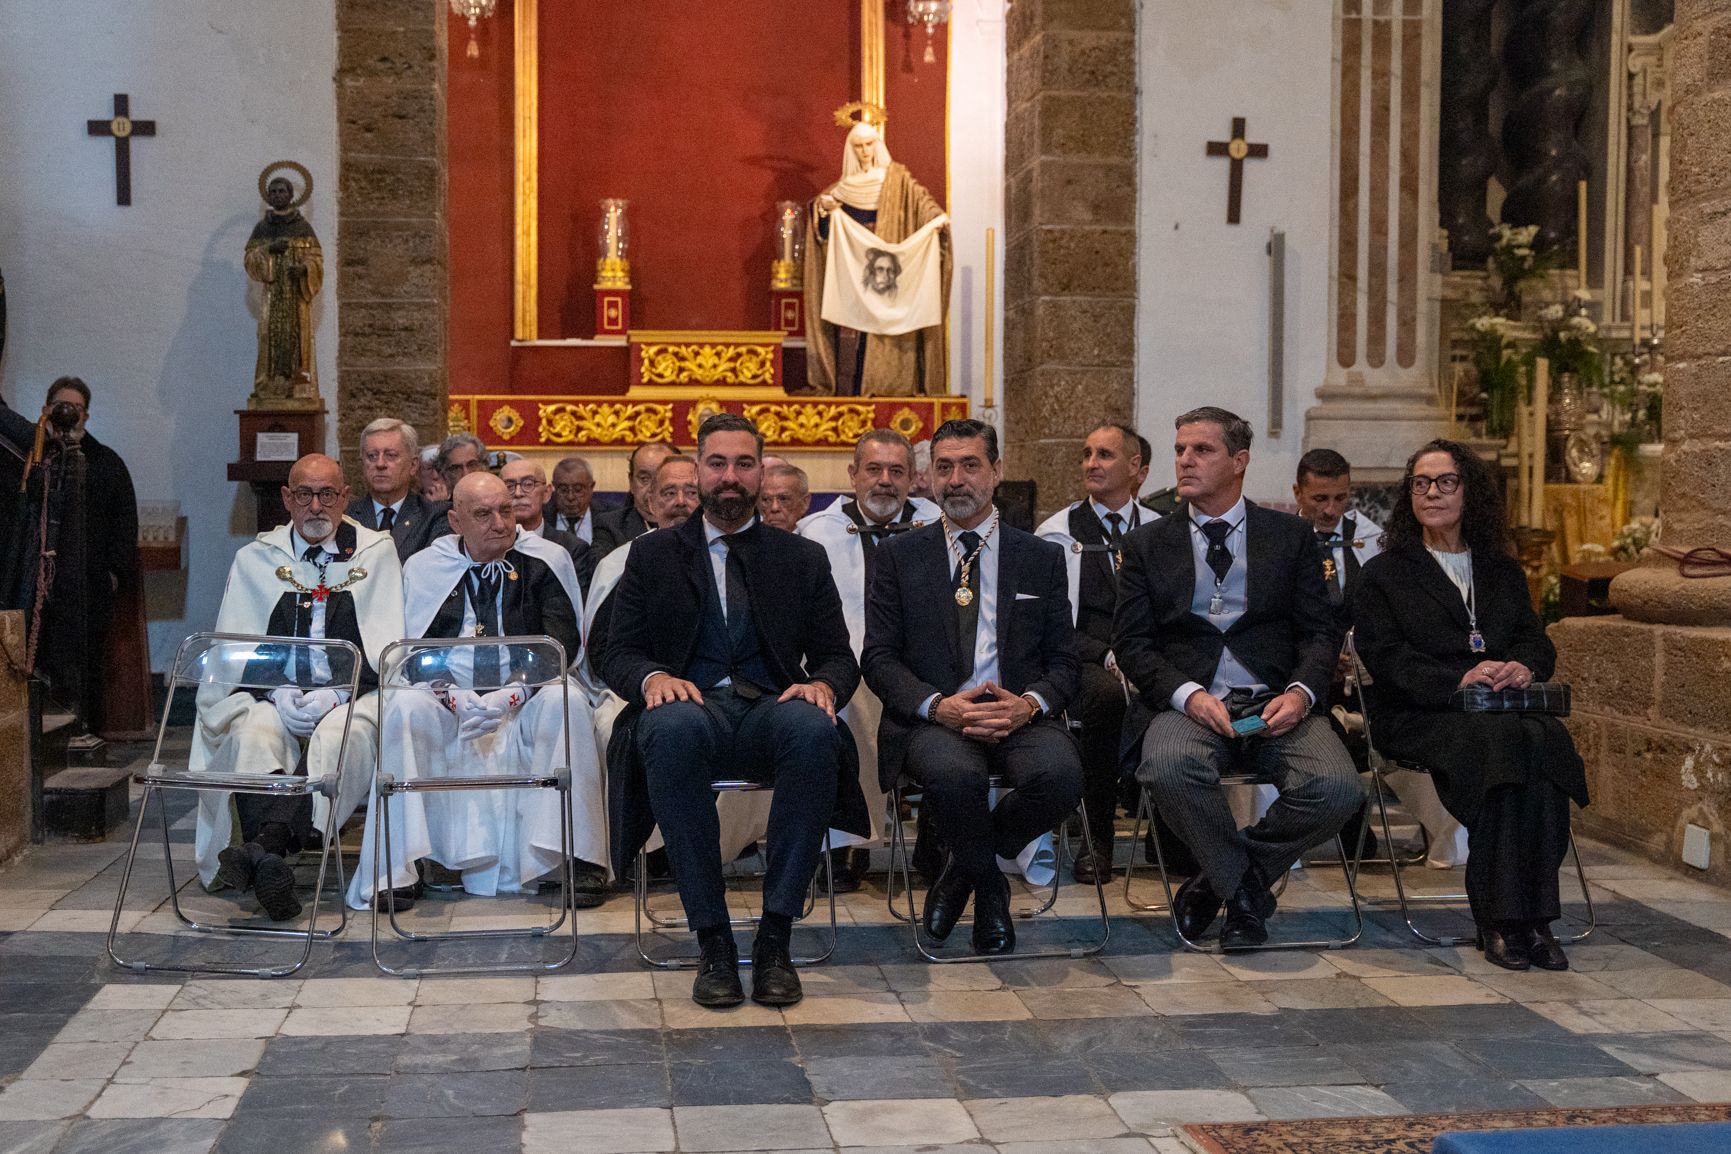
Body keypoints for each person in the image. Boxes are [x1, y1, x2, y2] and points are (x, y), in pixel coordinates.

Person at [603, 414, 865, 1008]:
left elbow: (836, 656)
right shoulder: (651, 556)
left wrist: (822, 685)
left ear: (760, 471)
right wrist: (652, 677)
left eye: (743, 464)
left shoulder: (801, 557)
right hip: (690, 708)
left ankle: (776, 935)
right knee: (667, 728)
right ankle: (714, 940)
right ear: (697, 471)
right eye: (717, 463)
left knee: (814, 728)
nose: (730, 476)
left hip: (770, 707)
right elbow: (617, 653)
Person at [1113, 407, 1360, 950]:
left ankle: (1216, 883)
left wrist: (1300, 693)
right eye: (1180, 450)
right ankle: (1246, 894)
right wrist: (1188, 694)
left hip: (1276, 703)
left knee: (1338, 788)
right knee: (1169, 767)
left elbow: (1321, 634)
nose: (1184, 460)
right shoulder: (1146, 545)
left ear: (1239, 461)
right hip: (1188, 706)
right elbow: (1133, 645)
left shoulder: (1291, 538)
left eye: (1201, 450)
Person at [1353, 439, 1588, 971]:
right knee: (1507, 749)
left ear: (1470, 492)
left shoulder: (1501, 570)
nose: (1431, 492)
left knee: (1546, 741)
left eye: (1445, 482)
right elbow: (1387, 658)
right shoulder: (1385, 573)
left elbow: (1535, 641)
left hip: (1497, 711)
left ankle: (1530, 917)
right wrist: (1461, 676)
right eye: (1420, 483)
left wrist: (1522, 668)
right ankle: (1509, 919)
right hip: (1420, 712)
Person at [862, 419, 1083, 956]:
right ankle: (990, 892)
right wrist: (939, 706)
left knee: (1061, 776)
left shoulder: (1041, 557)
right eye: (944, 467)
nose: (956, 479)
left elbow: (1066, 662)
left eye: (970, 465)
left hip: (1019, 713)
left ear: (997, 472)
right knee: (955, 775)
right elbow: (879, 658)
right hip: (937, 717)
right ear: (928, 479)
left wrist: (1029, 704)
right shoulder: (899, 556)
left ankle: (960, 872)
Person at [349, 471, 609, 911]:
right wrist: (451, 694)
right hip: (448, 699)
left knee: (566, 703)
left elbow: (561, 641)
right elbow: (411, 648)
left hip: (527, 694)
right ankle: (399, 868)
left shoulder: (547, 559)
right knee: (404, 710)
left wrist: (513, 694)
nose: (501, 524)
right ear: (455, 521)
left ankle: (572, 857)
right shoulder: (425, 568)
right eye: (483, 514)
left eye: (506, 510)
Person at [193, 454, 403, 920]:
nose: (315, 506)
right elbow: (237, 649)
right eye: (304, 495)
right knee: (253, 732)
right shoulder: (256, 558)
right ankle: (272, 862)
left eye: (327, 494)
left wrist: (339, 693)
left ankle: (263, 853)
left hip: (356, 694)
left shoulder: (375, 553)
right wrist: (274, 692)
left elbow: (388, 647)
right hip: (276, 693)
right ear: (287, 499)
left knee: (335, 736)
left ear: (345, 498)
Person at [1292, 448, 1466, 869]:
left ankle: (1390, 825)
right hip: (1300, 670)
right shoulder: (1281, 538)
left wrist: (1360, 652)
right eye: (1319, 499)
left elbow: (1391, 609)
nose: (1331, 509)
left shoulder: (1372, 539)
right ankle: (1344, 821)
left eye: (1340, 497)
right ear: (1297, 492)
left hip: (1363, 669)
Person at [797, 429, 941, 889]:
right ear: (852, 475)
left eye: (896, 471)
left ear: (914, 478)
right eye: (874, 470)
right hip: (850, 663)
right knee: (846, 700)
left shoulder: (938, 526)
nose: (884, 481)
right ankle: (843, 844)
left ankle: (938, 840)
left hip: (925, 668)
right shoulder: (818, 532)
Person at [1034, 423, 1151, 883]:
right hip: (1082, 657)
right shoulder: (1058, 533)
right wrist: (1106, 653)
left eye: (1104, 455)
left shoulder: (1162, 530)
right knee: (1105, 699)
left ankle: (1178, 834)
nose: (1091, 464)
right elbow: (1052, 622)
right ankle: (1096, 839)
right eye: (1086, 454)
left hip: (1149, 656)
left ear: (1136, 468)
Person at [806, 119, 950, 396]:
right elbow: (823, 235)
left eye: (869, 144)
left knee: (893, 327)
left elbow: (923, 203)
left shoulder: (898, 181)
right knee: (851, 336)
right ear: (851, 150)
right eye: (858, 146)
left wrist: (936, 220)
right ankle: (851, 391)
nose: (864, 151)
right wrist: (824, 212)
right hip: (855, 273)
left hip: (890, 269)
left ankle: (890, 386)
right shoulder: (843, 189)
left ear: (877, 144)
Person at [31, 378, 139, 733]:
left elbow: (125, 521)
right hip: (37, 586)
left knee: (85, 664)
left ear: (86, 415)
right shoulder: (30, 457)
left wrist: (113, 573)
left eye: (75, 408)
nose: (68, 414)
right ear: (47, 410)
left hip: (88, 587)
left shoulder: (107, 463)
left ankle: (86, 733)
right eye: (61, 406)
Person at [244, 173, 323, 405]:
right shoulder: (262, 228)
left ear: (291, 196)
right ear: (268, 197)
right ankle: (270, 385)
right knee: (269, 336)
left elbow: (317, 260)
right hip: (273, 295)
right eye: (274, 191)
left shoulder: (303, 227)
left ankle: (297, 385)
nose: (278, 195)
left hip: (296, 298)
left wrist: (305, 270)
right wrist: (269, 249)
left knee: (296, 337)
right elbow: (249, 259)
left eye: (282, 191)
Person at [347, 417, 449, 561]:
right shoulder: (346, 517)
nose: (380, 464)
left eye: (391, 455)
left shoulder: (434, 516)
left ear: (413, 466)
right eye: (372, 456)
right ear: (362, 464)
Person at [502, 457, 595, 595]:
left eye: (528, 484)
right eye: (509, 486)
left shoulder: (572, 548)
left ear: (547, 493)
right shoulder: (489, 547)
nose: (518, 493)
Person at [592, 440, 677, 557]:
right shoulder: (610, 526)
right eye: (644, 479)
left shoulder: (695, 523)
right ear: (631, 482)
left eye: (662, 477)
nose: (653, 488)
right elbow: (601, 572)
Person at [546, 456, 596, 543]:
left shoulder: (610, 518)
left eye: (578, 490)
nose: (570, 497)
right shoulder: (542, 516)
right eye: (563, 490)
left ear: (591, 487)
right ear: (554, 487)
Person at [758, 462, 811, 532]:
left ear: (805, 503)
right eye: (766, 499)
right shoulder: (746, 540)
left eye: (783, 499)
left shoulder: (819, 539)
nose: (774, 508)